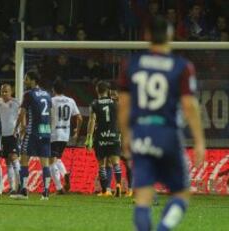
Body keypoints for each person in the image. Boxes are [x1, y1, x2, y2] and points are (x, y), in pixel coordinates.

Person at [117, 16, 205, 231]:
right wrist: (200, 141)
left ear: (146, 36)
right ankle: (164, 228)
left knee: (144, 198)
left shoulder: (132, 65)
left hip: (141, 132)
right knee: (182, 193)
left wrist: (126, 135)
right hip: (167, 134)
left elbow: (123, 106)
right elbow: (189, 106)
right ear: (170, 35)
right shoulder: (181, 66)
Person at [11, 71, 52, 200]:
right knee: (45, 163)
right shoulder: (47, 94)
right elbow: (50, 113)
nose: (24, 81)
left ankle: (23, 191)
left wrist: (16, 127)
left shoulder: (29, 94)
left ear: (33, 80)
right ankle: (45, 193)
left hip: (33, 132)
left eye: (26, 79)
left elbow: (22, 113)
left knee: (24, 159)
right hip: (45, 131)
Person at [85, 81, 122, 197]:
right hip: (113, 135)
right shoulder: (115, 103)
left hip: (101, 136)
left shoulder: (94, 104)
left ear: (97, 90)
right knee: (116, 163)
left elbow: (92, 121)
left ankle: (105, 190)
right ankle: (119, 185)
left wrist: (89, 137)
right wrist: (119, 134)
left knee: (101, 165)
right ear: (109, 91)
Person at [50, 79, 82, 194]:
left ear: (53, 89)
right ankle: (65, 174)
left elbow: (47, 117)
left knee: (51, 162)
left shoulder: (51, 101)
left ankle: (59, 188)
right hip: (65, 134)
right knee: (57, 159)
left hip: (54, 134)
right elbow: (79, 117)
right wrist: (77, 132)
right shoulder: (70, 100)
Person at [0, 84, 21, 194]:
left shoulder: (16, 103)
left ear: (11, 92)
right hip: (4, 135)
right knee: (8, 161)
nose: (4, 94)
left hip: (14, 134)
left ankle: (20, 185)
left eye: (6, 91)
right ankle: (12, 188)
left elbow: (22, 115)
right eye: (2, 92)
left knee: (14, 157)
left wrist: (21, 129)